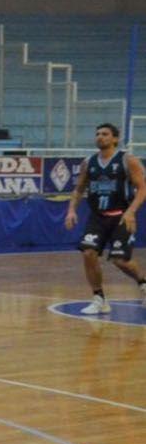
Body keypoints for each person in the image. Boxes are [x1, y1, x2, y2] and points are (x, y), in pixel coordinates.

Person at [64, 123, 146, 314]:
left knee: (120, 261)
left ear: (115, 139)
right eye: (98, 134)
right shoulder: (89, 162)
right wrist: (71, 211)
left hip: (121, 216)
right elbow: (78, 189)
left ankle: (143, 282)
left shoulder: (127, 160)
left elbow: (142, 188)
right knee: (88, 253)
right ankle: (99, 298)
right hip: (98, 217)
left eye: (105, 134)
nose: (100, 137)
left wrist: (132, 211)